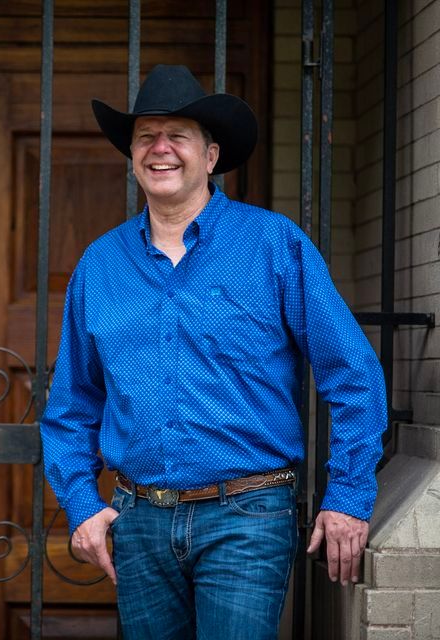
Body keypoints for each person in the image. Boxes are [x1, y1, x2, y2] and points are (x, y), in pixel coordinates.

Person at [40, 64, 387, 640]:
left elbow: (352, 374)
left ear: (210, 154)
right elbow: (71, 404)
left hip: (247, 518)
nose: (161, 148)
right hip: (139, 522)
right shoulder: (100, 266)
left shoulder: (273, 246)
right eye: (146, 136)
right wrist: (80, 503)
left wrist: (349, 493)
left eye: (178, 135)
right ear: (132, 156)